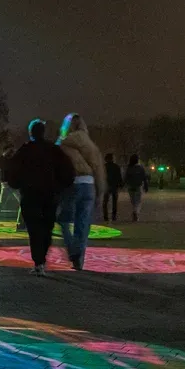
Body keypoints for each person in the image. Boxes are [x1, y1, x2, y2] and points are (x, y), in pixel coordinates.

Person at [0, 118, 75, 274]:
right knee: (47, 227)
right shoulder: (54, 150)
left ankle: (38, 261)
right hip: (50, 195)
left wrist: (17, 184)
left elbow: (13, 171)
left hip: (30, 194)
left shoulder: (25, 150)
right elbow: (68, 171)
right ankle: (42, 258)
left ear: (30, 133)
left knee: (34, 229)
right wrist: (60, 187)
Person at [54, 113, 104, 272]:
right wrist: (100, 192)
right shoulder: (91, 145)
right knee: (82, 225)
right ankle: (79, 261)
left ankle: (72, 250)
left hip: (72, 184)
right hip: (89, 185)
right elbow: (98, 169)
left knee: (63, 220)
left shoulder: (62, 144)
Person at [124, 154, 149, 221]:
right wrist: (146, 186)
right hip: (138, 186)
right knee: (138, 201)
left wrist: (125, 184)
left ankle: (134, 211)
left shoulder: (129, 168)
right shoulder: (140, 168)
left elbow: (126, 177)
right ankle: (136, 212)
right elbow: (144, 178)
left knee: (133, 201)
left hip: (131, 186)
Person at [101, 153, 123, 223]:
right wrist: (120, 184)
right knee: (114, 202)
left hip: (107, 186)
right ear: (112, 159)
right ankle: (114, 216)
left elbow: (101, 177)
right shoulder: (116, 166)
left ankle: (105, 216)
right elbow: (119, 177)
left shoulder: (103, 167)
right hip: (114, 186)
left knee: (105, 202)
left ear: (106, 159)